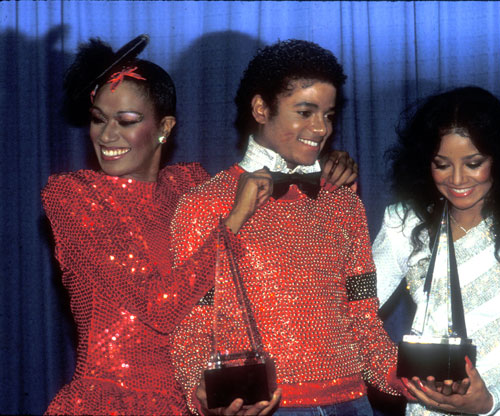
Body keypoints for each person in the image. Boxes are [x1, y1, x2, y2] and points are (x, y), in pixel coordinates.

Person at [42, 35, 358, 416]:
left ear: (165, 128)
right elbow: (159, 307)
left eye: (125, 121)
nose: (107, 135)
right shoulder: (74, 197)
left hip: (197, 400)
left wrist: (323, 165)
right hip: (114, 401)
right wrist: (234, 220)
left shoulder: (188, 184)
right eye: (98, 120)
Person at [170, 39, 406, 416]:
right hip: (262, 408)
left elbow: (364, 321)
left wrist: (410, 379)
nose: (321, 128)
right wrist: (204, 396)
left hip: (352, 404)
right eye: (305, 112)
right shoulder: (205, 204)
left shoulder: (344, 203)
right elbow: (190, 327)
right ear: (261, 108)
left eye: (328, 115)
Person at [372, 86, 500, 415]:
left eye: (474, 163)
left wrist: (491, 399)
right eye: (442, 164)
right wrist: (385, 370)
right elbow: (353, 309)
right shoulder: (403, 223)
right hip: (426, 407)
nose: (458, 179)